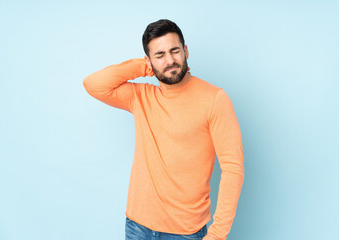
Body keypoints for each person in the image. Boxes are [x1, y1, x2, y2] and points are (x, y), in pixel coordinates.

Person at [83, 19, 244, 240]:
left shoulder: (214, 99)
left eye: (175, 51)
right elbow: (94, 84)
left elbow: (233, 168)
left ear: (185, 50)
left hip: (185, 232)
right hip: (137, 226)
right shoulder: (141, 97)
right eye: (160, 55)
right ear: (149, 61)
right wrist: (143, 66)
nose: (170, 61)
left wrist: (217, 235)